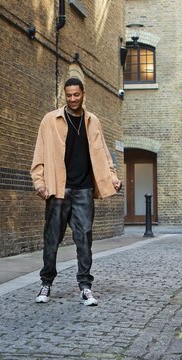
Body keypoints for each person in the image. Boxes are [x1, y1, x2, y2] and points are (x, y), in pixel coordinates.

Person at [30, 77, 122, 306]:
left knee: (84, 240)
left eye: (76, 95)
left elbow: (103, 155)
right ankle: (46, 283)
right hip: (58, 189)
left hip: (84, 190)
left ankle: (85, 287)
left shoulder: (93, 122)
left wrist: (112, 178)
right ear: (65, 95)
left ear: (83, 94)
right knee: (52, 239)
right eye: (68, 95)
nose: (72, 99)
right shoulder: (50, 121)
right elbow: (39, 154)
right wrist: (39, 182)